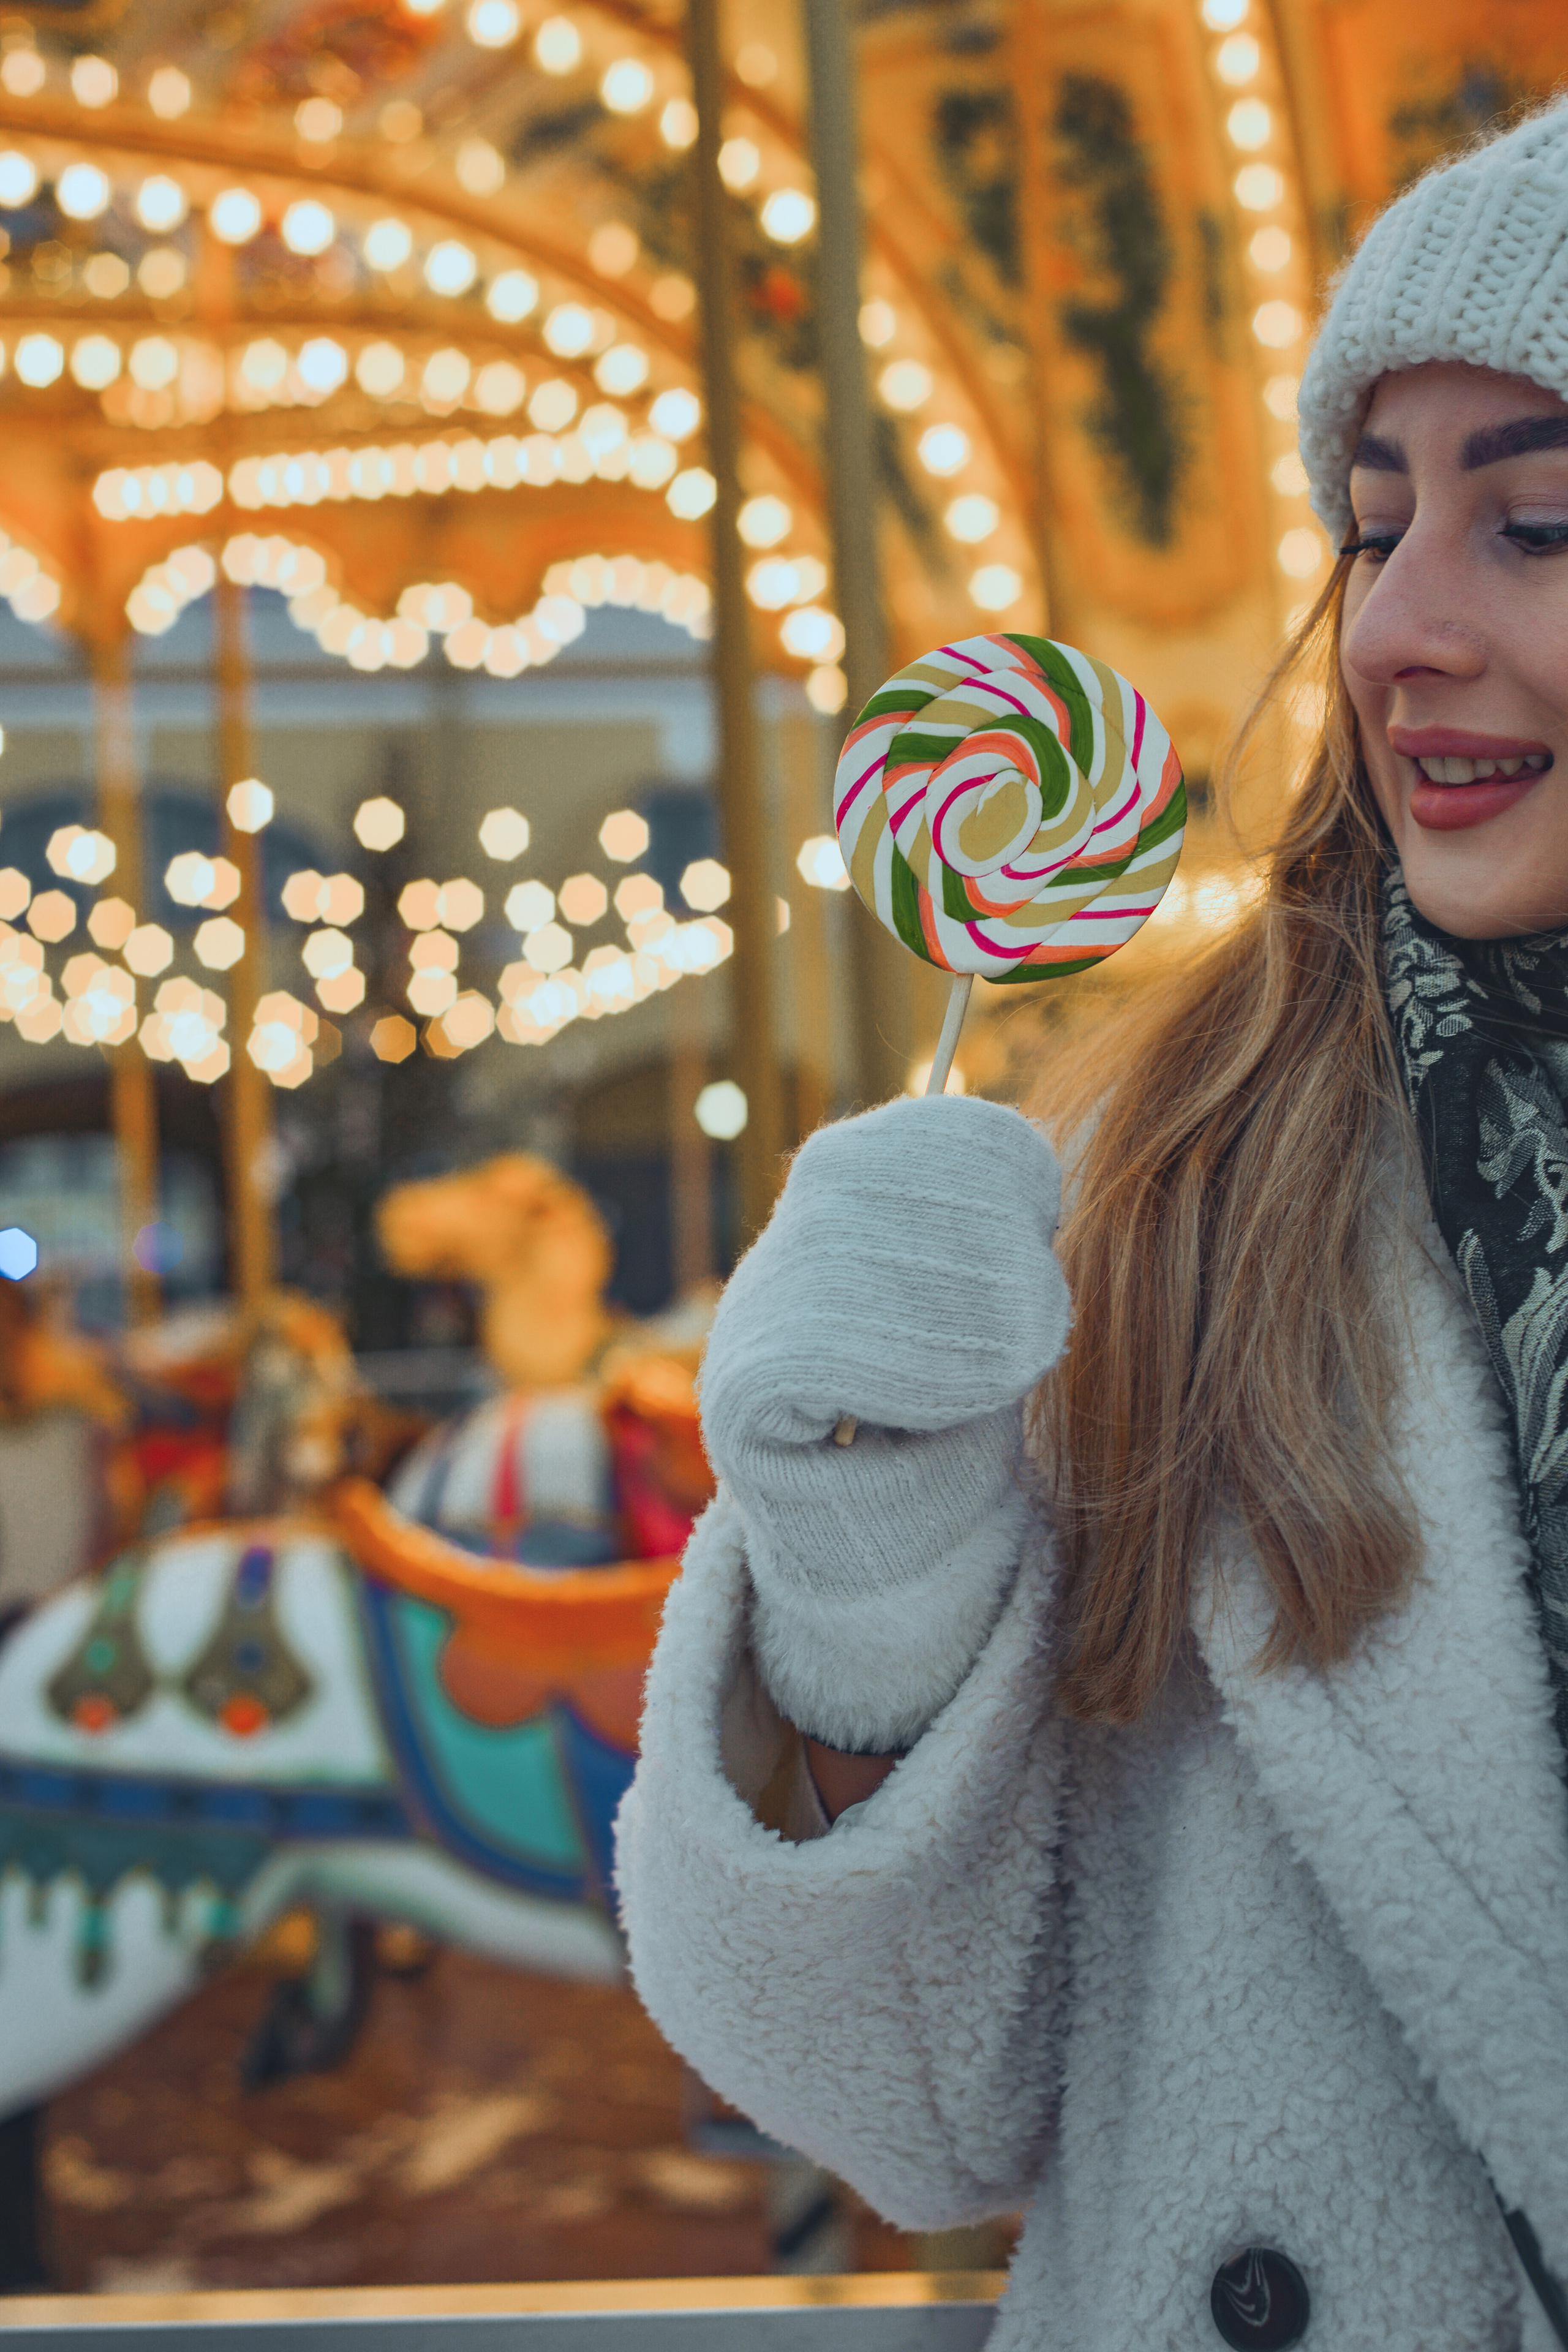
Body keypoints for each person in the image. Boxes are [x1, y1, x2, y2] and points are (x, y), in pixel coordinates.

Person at [616, 101, 1568, 2352]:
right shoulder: (1178, 1195)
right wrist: (871, 1598)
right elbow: (923, 2115)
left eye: (1535, 523)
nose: (1397, 631)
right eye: (1370, 528)